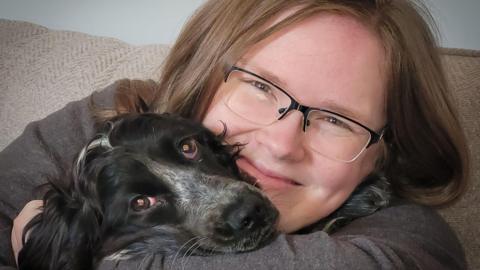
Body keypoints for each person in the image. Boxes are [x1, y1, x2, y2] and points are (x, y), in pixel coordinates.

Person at [0, 0, 470, 269]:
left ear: (387, 149)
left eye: (338, 120)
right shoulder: (114, 117)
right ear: (204, 76)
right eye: (261, 87)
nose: (282, 146)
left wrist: (75, 257)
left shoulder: (410, 243)